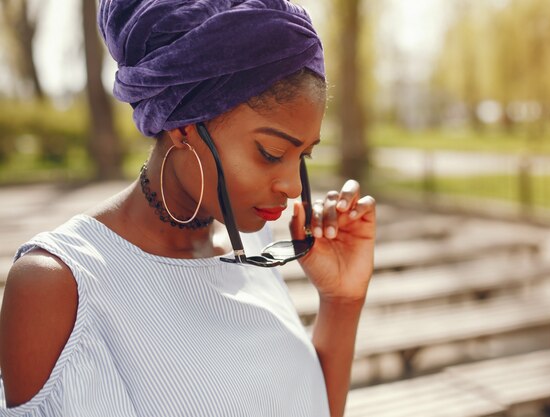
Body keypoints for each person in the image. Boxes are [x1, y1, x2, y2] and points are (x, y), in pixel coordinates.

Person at [0, 0, 375, 416]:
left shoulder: (253, 241)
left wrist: (341, 300)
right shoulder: (59, 287)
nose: (290, 187)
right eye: (271, 153)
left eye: (303, 156)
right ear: (182, 126)